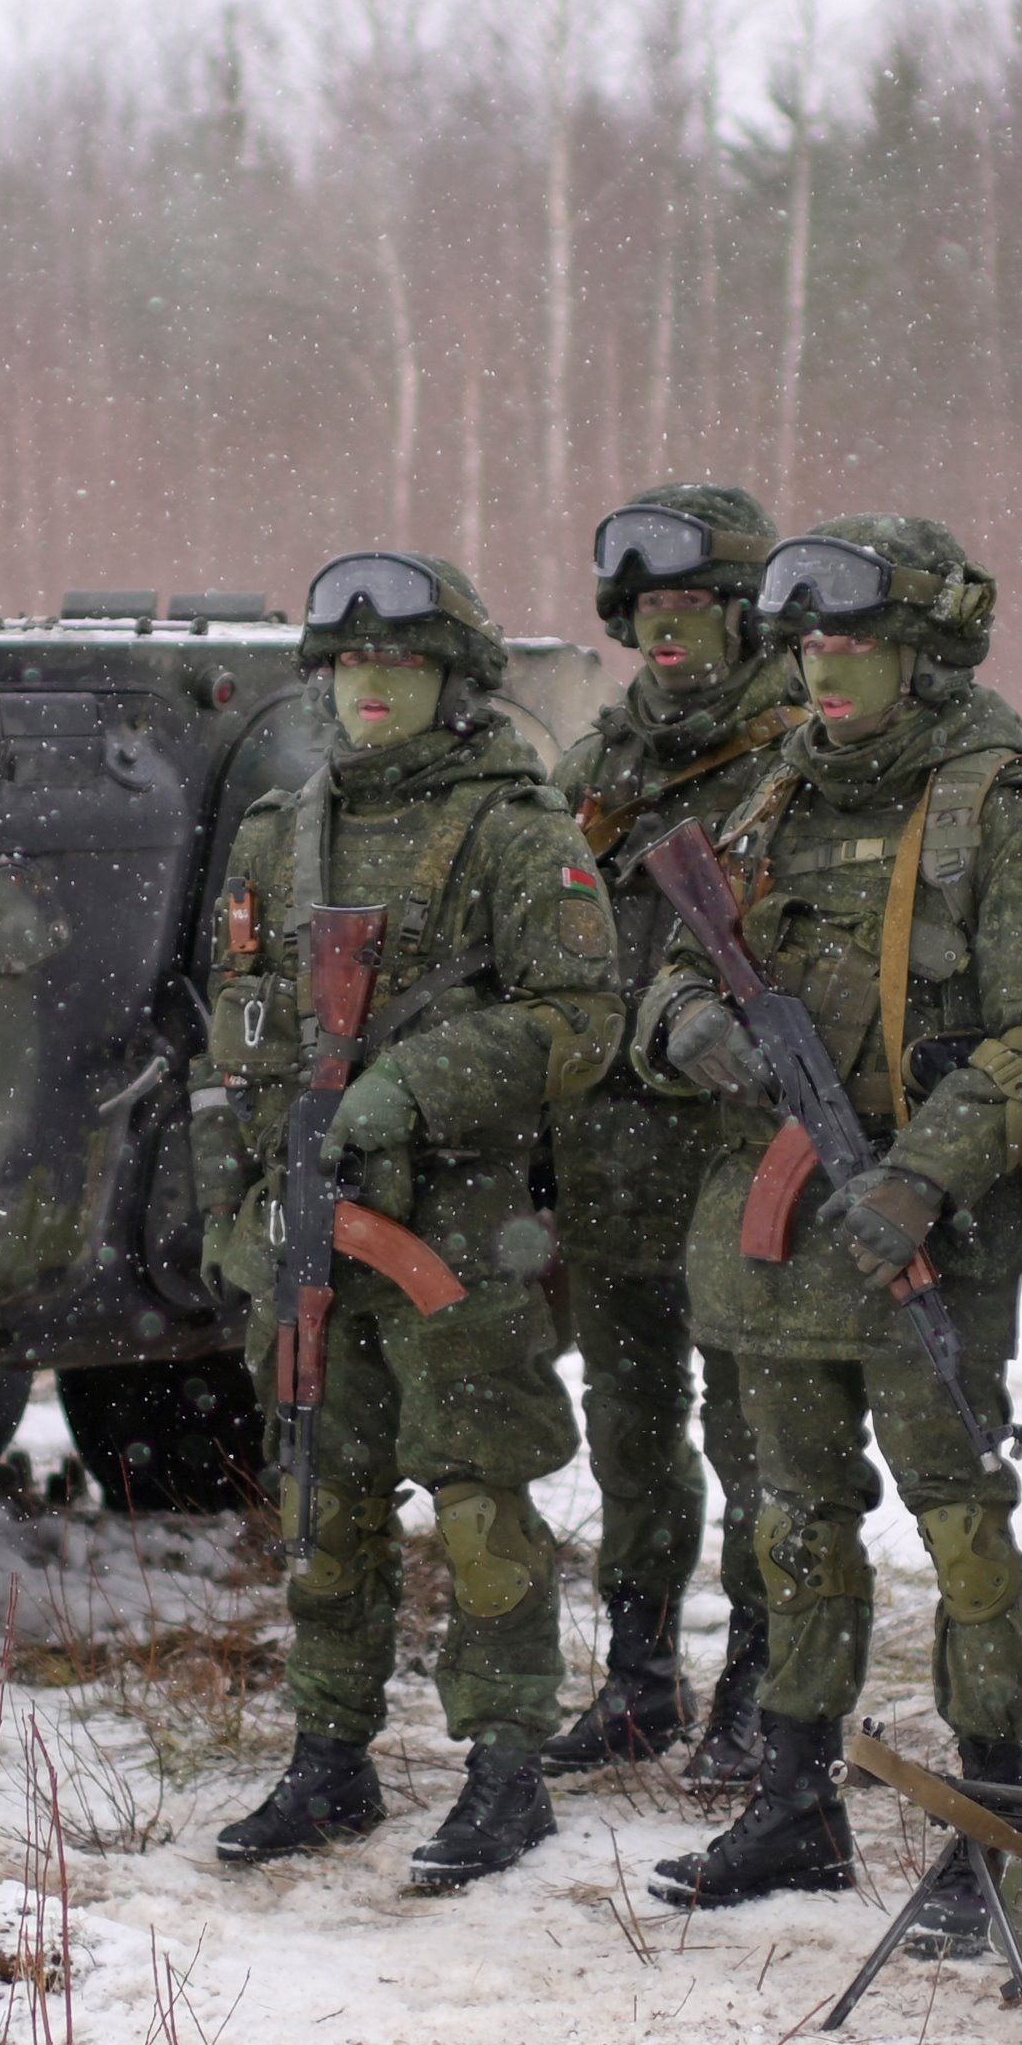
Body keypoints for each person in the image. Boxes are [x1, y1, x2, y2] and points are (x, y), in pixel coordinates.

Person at [632, 515, 1022, 1909]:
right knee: (795, 1521)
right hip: (777, 1243)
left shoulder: (999, 813)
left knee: (963, 1519)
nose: (826, 669)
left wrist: (923, 1173)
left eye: (858, 644)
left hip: (924, 1235)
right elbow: (669, 976)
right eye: (812, 645)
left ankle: (990, 1819)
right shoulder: (770, 800)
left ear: (925, 655)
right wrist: (688, 1035)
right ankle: (794, 1804)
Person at [188, 552, 627, 1888]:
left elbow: (580, 1022)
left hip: (459, 1231)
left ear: (453, 682)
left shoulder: (513, 832)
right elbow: (228, 1040)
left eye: (402, 666)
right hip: (309, 1218)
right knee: (324, 1494)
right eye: (352, 666)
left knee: (482, 1496)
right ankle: (331, 1753)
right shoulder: (279, 831)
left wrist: (414, 1084)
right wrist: (232, 1206)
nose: (371, 688)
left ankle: (506, 1765)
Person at [548, 486, 798, 1784]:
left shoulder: (793, 759)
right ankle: (640, 1681)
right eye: (649, 610)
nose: (668, 633)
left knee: (758, 1435)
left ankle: (760, 1684)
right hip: (607, 1158)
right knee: (631, 1428)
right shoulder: (597, 770)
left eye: (695, 606)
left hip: (739, 1155)